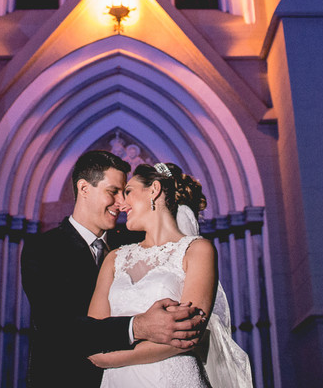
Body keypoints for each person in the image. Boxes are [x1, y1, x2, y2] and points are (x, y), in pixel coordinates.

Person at [21, 150, 208, 388]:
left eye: (125, 192)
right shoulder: (44, 249)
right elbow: (58, 327)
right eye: (113, 192)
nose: (122, 203)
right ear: (84, 188)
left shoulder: (132, 248)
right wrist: (138, 326)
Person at [87, 162, 254, 388]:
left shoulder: (197, 251)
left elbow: (188, 336)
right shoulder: (114, 259)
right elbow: (92, 337)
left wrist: (110, 358)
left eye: (128, 192)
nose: (121, 204)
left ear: (154, 190)